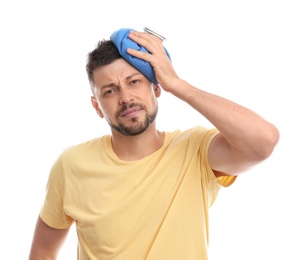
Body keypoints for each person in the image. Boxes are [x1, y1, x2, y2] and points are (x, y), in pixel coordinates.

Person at [28, 28, 279, 260]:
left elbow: (263, 141)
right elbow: (43, 251)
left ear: (156, 88)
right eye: (110, 91)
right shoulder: (72, 165)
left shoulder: (195, 150)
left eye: (134, 81)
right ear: (97, 107)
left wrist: (178, 85)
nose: (126, 98)